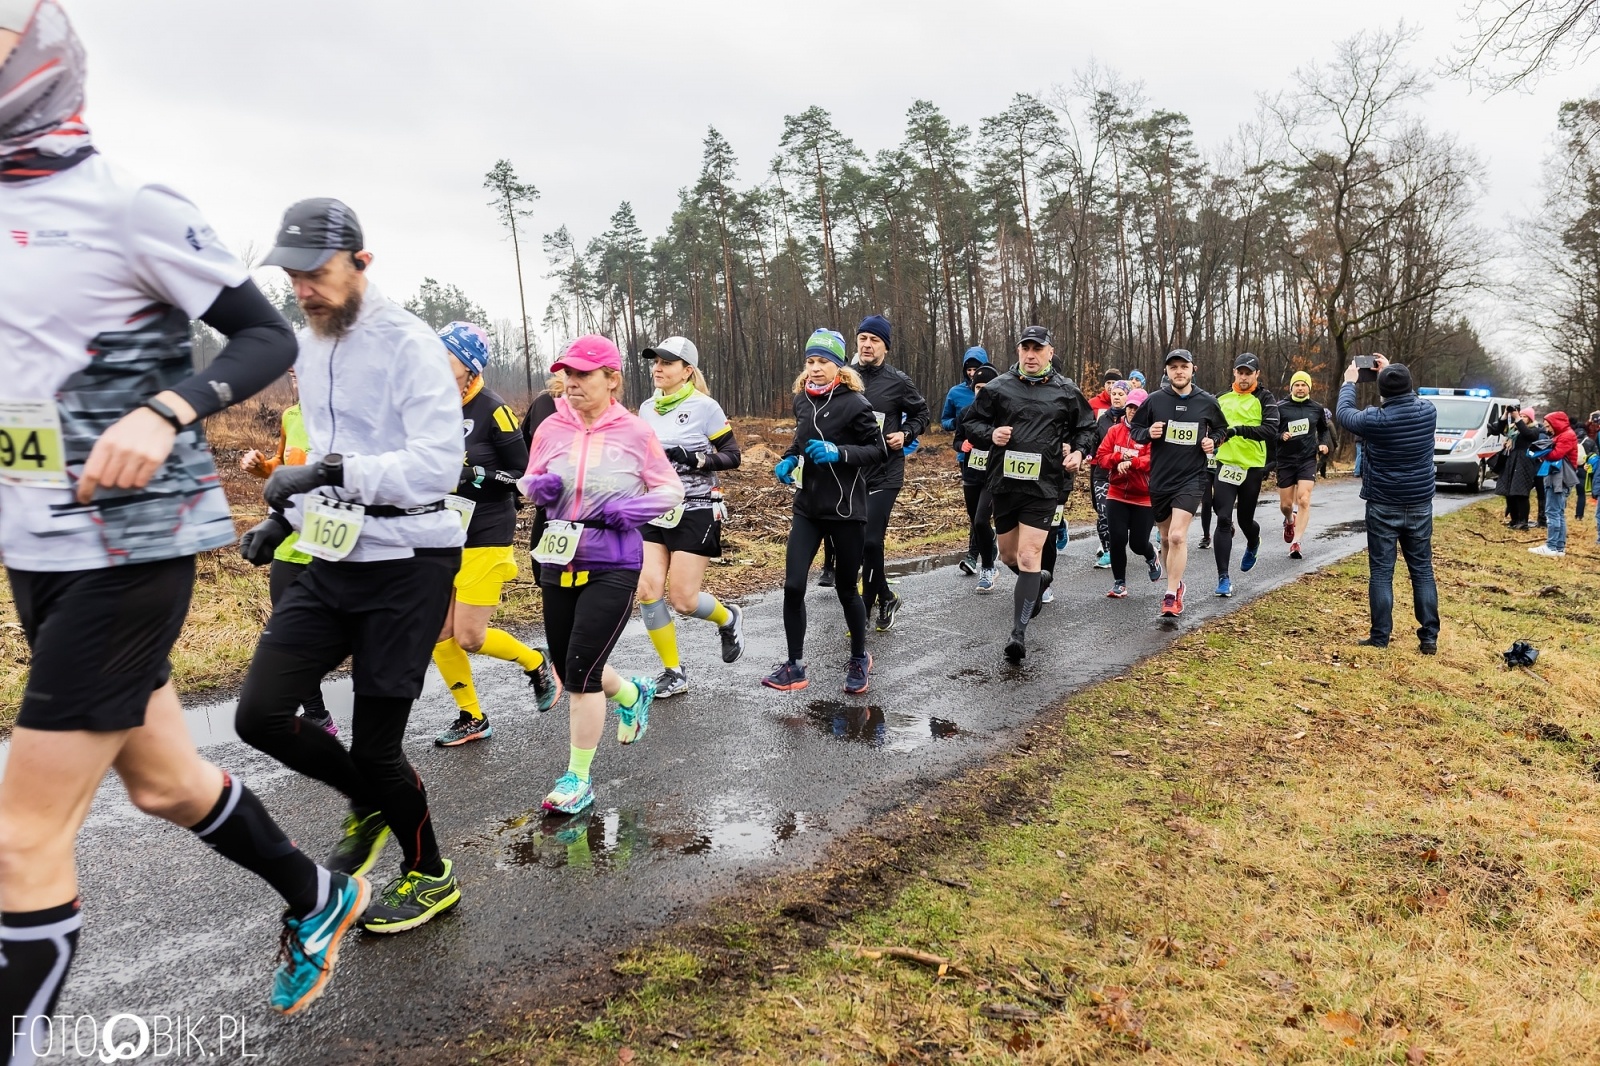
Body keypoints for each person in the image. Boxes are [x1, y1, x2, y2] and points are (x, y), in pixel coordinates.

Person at [0, 4, 363, 1033]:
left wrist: (167, 411)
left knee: (20, 838)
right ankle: (318, 894)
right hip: (36, 547)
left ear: (40, 61)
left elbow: (264, 335)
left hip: (131, 548)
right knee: (163, 782)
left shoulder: (128, 205)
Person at [233, 198, 467, 934]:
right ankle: (366, 799)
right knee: (260, 714)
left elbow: (438, 464)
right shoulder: (312, 344)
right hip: (336, 553)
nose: (303, 289)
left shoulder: (408, 342)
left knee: (377, 743)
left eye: (317, 273)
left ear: (362, 263)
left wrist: (330, 469)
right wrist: (282, 518)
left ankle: (431, 874)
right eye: (293, 276)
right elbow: (326, 464)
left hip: (410, 559)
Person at [520, 335, 684, 814]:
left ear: (611, 379)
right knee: (570, 662)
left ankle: (578, 778)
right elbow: (530, 481)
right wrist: (541, 487)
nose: (572, 383)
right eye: (567, 374)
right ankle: (634, 693)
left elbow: (670, 490)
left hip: (612, 560)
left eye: (583, 375)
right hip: (558, 553)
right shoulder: (550, 427)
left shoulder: (634, 432)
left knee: (580, 678)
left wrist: (629, 511)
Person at [430, 321, 560, 747]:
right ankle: (471, 717)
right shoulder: (428, 403)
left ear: (468, 365)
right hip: (442, 529)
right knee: (437, 633)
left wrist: (475, 474)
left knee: (469, 635)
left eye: (445, 353)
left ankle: (534, 661)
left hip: (486, 527)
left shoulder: (492, 408)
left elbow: (523, 474)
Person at [962, 326, 1097, 662]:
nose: (1031, 355)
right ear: (1018, 351)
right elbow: (970, 425)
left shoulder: (1066, 391)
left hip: (1044, 486)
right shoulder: (997, 388)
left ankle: (1017, 636)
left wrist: (1079, 453)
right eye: (1026, 349)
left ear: (1050, 352)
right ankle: (1038, 582)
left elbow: (1087, 428)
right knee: (1008, 556)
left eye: (1038, 349)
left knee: (1028, 554)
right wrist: (992, 435)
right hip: (1005, 484)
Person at [765, 329, 887, 692]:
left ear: (838, 366)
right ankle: (795, 665)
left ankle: (859, 658)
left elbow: (878, 450)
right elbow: (800, 438)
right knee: (792, 586)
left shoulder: (855, 403)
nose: (815, 368)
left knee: (847, 589)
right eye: (810, 361)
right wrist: (789, 458)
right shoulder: (802, 400)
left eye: (823, 362)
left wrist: (840, 452)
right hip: (808, 508)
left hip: (847, 509)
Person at [635, 336, 745, 699]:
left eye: (667, 363)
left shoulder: (705, 407)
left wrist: (695, 459)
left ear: (687, 371)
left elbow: (732, 456)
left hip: (695, 508)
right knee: (648, 589)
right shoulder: (646, 408)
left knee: (683, 600)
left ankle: (727, 618)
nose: (658, 368)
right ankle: (673, 670)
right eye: (655, 362)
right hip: (654, 508)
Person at [239, 369, 337, 736]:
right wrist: (261, 467)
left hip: (331, 545)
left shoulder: (340, 416)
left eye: (305, 372)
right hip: (290, 545)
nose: (299, 380)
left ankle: (382, 728)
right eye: (295, 374)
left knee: (343, 632)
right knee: (287, 631)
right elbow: (282, 466)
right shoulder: (290, 416)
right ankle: (318, 716)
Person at [1334, 357, 1440, 654]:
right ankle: (1429, 637)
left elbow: (1343, 414)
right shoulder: (1427, 412)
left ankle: (1380, 637)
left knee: (1381, 572)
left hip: (1383, 504)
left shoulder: (1374, 420)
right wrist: (1392, 371)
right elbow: (1410, 395)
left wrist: (1349, 382)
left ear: (1382, 391)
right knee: (1422, 571)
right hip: (1419, 503)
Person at [1128, 350, 1228, 617]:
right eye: (1173, 367)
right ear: (1166, 371)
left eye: (1184, 366)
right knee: (1164, 536)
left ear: (1193, 369)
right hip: (1161, 478)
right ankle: (1177, 582)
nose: (1179, 371)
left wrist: (1213, 441)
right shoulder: (1154, 401)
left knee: (1176, 536)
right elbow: (1135, 430)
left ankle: (1170, 594)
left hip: (1192, 478)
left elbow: (1222, 430)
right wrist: (1148, 433)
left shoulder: (1206, 401)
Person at [852, 315, 929, 631]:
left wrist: (906, 434)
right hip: (853, 471)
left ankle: (864, 614)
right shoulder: (845, 376)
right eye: (863, 338)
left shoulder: (898, 381)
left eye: (875, 340)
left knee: (871, 541)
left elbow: (923, 414)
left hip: (886, 470)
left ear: (885, 346)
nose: (867, 345)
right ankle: (885, 595)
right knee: (857, 543)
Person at [1211, 354, 1280, 597]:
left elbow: (1271, 429)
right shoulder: (1220, 398)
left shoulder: (1265, 398)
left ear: (1256, 374)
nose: (1243, 377)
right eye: (1240, 372)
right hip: (1225, 465)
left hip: (1251, 467)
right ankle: (1223, 578)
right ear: (1234, 373)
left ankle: (1253, 541)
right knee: (1222, 519)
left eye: (1248, 373)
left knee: (1245, 520)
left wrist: (1239, 430)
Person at [1094, 388, 1161, 597]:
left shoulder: (1152, 433)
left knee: (1138, 544)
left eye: (1137, 408)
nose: (1132, 411)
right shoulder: (1115, 431)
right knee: (1117, 539)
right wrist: (1117, 460)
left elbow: (1153, 460)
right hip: (1116, 493)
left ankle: (1151, 555)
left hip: (1143, 496)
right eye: (1130, 406)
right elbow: (1101, 456)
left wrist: (1131, 463)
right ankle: (1119, 583)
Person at [941, 346, 991, 574]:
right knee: (975, 512)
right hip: (968, 457)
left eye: (977, 369)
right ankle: (976, 553)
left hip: (993, 461)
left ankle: (980, 551)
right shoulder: (956, 393)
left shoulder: (996, 392)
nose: (973, 373)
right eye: (969, 369)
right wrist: (961, 427)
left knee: (984, 513)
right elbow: (945, 422)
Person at [1274, 370, 1332, 559]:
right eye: (1297, 385)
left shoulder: (1317, 408)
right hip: (1285, 460)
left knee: (1304, 499)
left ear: (1309, 387)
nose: (1300, 388)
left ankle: (1296, 543)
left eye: (1303, 385)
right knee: (1286, 504)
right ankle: (1290, 520)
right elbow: (1269, 432)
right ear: (1291, 387)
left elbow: (1324, 430)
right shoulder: (1280, 407)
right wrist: (1280, 436)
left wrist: (1323, 443)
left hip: (1307, 459)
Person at [954, 364, 1001, 591]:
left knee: (982, 520)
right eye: (978, 387)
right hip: (971, 475)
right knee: (976, 522)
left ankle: (988, 567)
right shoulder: (966, 413)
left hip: (993, 477)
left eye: (986, 387)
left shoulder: (1002, 415)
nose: (981, 392)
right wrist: (961, 445)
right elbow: (956, 440)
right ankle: (989, 546)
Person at [1089, 380, 1130, 569]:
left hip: (1124, 474)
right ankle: (1108, 551)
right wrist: (1087, 452)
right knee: (1102, 512)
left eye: (1121, 394)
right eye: (1114, 394)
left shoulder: (1132, 420)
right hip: (1102, 471)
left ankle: (1119, 545)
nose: (1116, 397)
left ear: (1127, 397)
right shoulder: (1103, 418)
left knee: (1119, 516)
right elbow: (1094, 439)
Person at [1529, 411, 1579, 557]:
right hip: (1559, 477)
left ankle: (1551, 546)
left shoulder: (1566, 436)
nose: (1547, 429)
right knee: (1559, 513)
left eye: (1548, 426)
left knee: (1552, 512)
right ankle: (1558, 548)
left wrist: (1540, 452)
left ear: (1556, 424)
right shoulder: (1563, 435)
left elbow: (1555, 454)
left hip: (1560, 478)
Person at [1498, 408, 1542, 529]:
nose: (1521, 418)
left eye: (1524, 416)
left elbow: (1527, 434)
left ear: (1530, 419)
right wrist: (1506, 415)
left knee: (1521, 493)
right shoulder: (1512, 429)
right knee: (1509, 492)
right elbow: (1499, 429)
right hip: (1511, 460)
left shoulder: (1534, 430)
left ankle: (1523, 521)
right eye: (1520, 415)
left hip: (1524, 462)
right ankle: (1514, 519)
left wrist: (1517, 418)